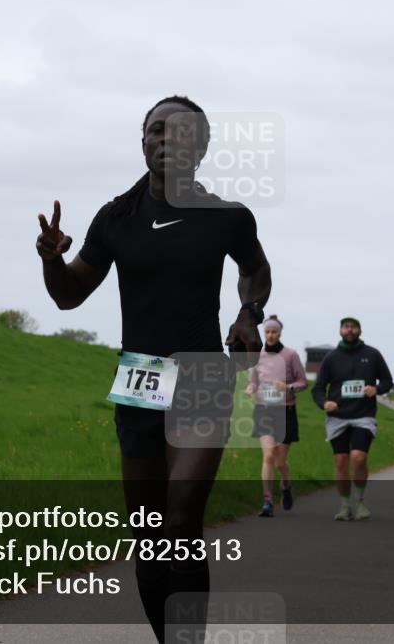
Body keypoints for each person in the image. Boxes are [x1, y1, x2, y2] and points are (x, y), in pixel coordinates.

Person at [36, 95, 272, 643]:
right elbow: (69, 296)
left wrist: (247, 314)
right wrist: (51, 260)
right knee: (150, 534)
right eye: (154, 131)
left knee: (183, 516)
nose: (164, 139)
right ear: (142, 142)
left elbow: (255, 270)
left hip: (202, 373)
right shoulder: (116, 217)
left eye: (178, 132)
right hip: (141, 377)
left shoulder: (228, 219)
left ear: (202, 147)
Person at [312, 317, 394, 521]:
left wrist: (376, 389)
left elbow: (387, 381)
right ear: (340, 331)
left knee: (359, 457)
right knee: (340, 461)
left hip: (363, 416)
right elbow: (318, 388)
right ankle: (344, 505)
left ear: (360, 330)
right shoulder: (331, 358)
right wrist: (324, 403)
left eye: (353, 327)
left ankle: (360, 502)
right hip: (337, 417)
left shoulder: (372, 355)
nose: (349, 330)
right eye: (346, 327)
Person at [244, 315, 308, 517]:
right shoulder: (257, 356)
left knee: (280, 461)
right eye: (267, 332)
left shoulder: (291, 355)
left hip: (285, 411)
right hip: (264, 410)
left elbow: (303, 382)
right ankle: (268, 500)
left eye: (274, 332)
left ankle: (286, 485)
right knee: (268, 456)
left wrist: (288, 387)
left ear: (280, 333)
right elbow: (253, 381)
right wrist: (250, 387)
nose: (270, 335)